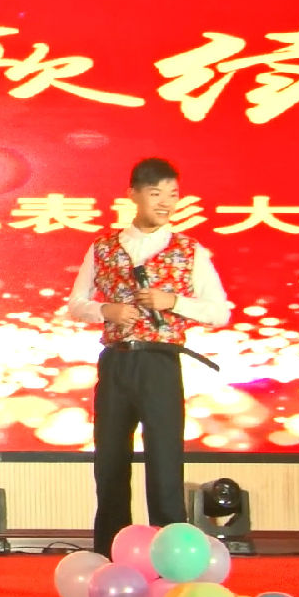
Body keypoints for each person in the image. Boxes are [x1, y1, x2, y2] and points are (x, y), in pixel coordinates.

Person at [66, 157, 231, 556]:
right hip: (117, 361)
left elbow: (219, 311)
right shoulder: (103, 247)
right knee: (110, 462)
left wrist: (173, 302)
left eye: (173, 195)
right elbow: (76, 304)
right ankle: (110, 552)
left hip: (160, 362)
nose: (166, 202)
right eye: (156, 193)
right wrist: (105, 310)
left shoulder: (190, 250)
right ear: (134, 195)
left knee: (164, 463)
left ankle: (171, 556)